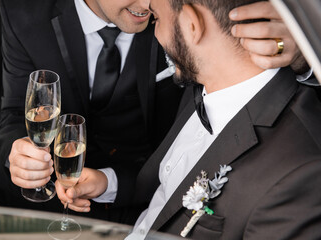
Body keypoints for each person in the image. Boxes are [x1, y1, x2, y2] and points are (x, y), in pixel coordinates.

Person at [0, 0, 309, 223]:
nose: (149, 3)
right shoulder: (24, 10)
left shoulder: (173, 17)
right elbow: (12, 113)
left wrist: (302, 54)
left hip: (143, 188)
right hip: (55, 180)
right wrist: (21, 156)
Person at [56, 0, 321, 238]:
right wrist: (108, 184)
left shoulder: (298, 177)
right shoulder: (200, 88)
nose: (152, 27)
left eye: (156, 18)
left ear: (193, 25)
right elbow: (164, 192)